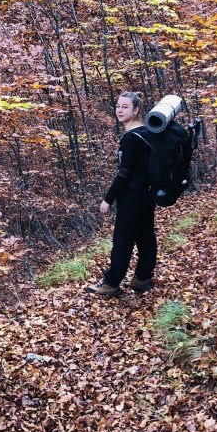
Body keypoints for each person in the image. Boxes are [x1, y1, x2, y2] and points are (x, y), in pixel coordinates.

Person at [87, 92, 156, 297]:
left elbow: (124, 173)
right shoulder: (147, 133)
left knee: (122, 240)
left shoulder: (131, 138)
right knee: (145, 236)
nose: (119, 110)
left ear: (135, 111)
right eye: (118, 106)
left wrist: (108, 199)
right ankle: (142, 278)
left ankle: (111, 283)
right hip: (147, 195)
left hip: (132, 197)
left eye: (125, 107)